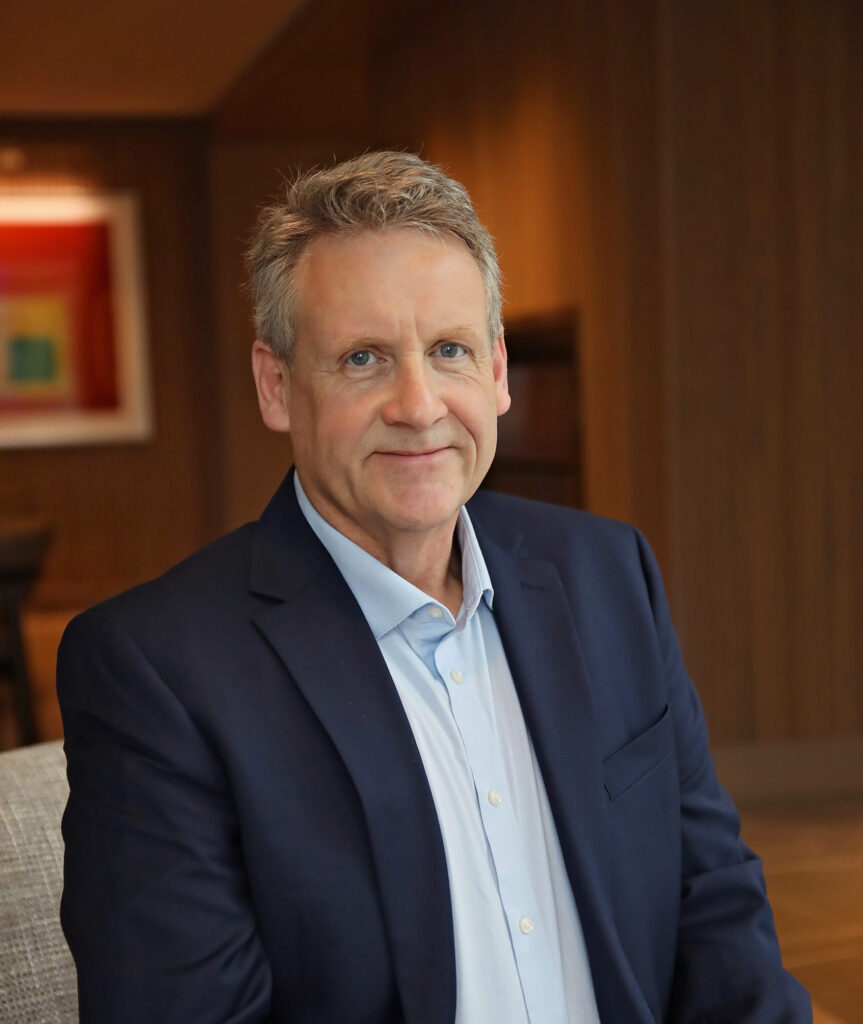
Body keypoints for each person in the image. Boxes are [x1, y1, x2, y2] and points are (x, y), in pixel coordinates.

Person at [58, 151, 811, 1023]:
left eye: (448, 350)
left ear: (495, 373)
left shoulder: (610, 576)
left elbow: (715, 909)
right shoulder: (157, 671)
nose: (417, 405)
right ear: (276, 386)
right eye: (365, 358)